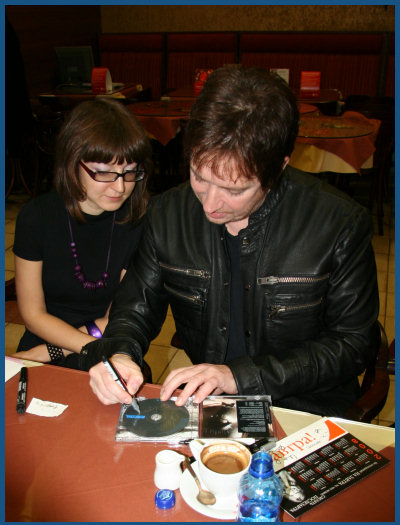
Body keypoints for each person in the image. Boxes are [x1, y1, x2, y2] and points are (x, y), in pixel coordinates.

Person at [82, 65, 379, 417]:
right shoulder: (167, 214)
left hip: (305, 409)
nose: (209, 204)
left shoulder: (339, 222)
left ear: (280, 167)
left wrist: (238, 376)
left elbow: (353, 344)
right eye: (199, 177)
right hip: (213, 407)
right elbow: (135, 308)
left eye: (234, 190)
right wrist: (119, 354)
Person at [12, 97, 152, 374]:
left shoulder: (138, 222)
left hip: (106, 341)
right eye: (104, 173)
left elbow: (116, 317)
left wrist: (49, 353)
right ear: (73, 163)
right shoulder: (37, 217)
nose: (120, 187)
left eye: (129, 171)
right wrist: (53, 349)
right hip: (46, 335)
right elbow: (33, 314)